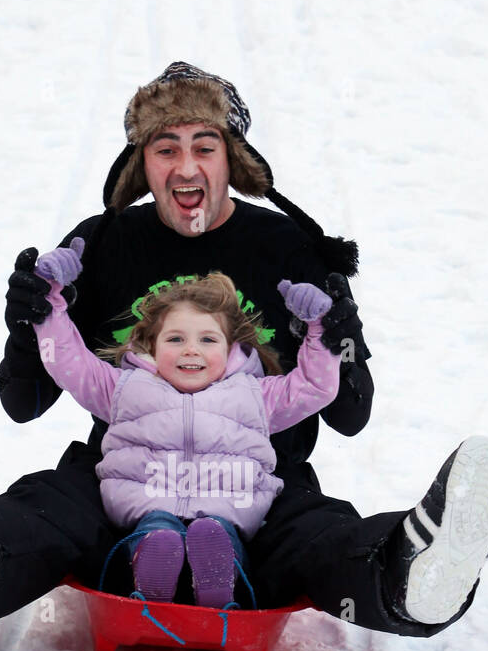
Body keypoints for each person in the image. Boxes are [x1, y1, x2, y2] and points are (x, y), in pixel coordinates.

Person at [0, 62, 488, 639]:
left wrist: (344, 340)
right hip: (129, 478)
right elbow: (27, 402)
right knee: (50, 508)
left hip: (257, 485)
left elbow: (349, 416)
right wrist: (25, 321)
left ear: (233, 160)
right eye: (165, 148)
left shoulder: (286, 246)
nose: (186, 166)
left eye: (204, 145)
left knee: (319, 536)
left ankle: (410, 574)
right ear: (141, 165)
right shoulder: (104, 242)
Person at [27, 240, 341, 608]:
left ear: (230, 349)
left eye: (208, 339)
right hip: (145, 509)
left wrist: (319, 329)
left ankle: (220, 583)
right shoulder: (123, 387)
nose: (191, 349)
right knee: (156, 532)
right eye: (175, 339)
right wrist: (49, 300)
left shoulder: (255, 394)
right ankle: (151, 572)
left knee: (217, 534)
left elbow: (315, 387)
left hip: (228, 514)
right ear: (151, 345)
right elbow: (69, 362)